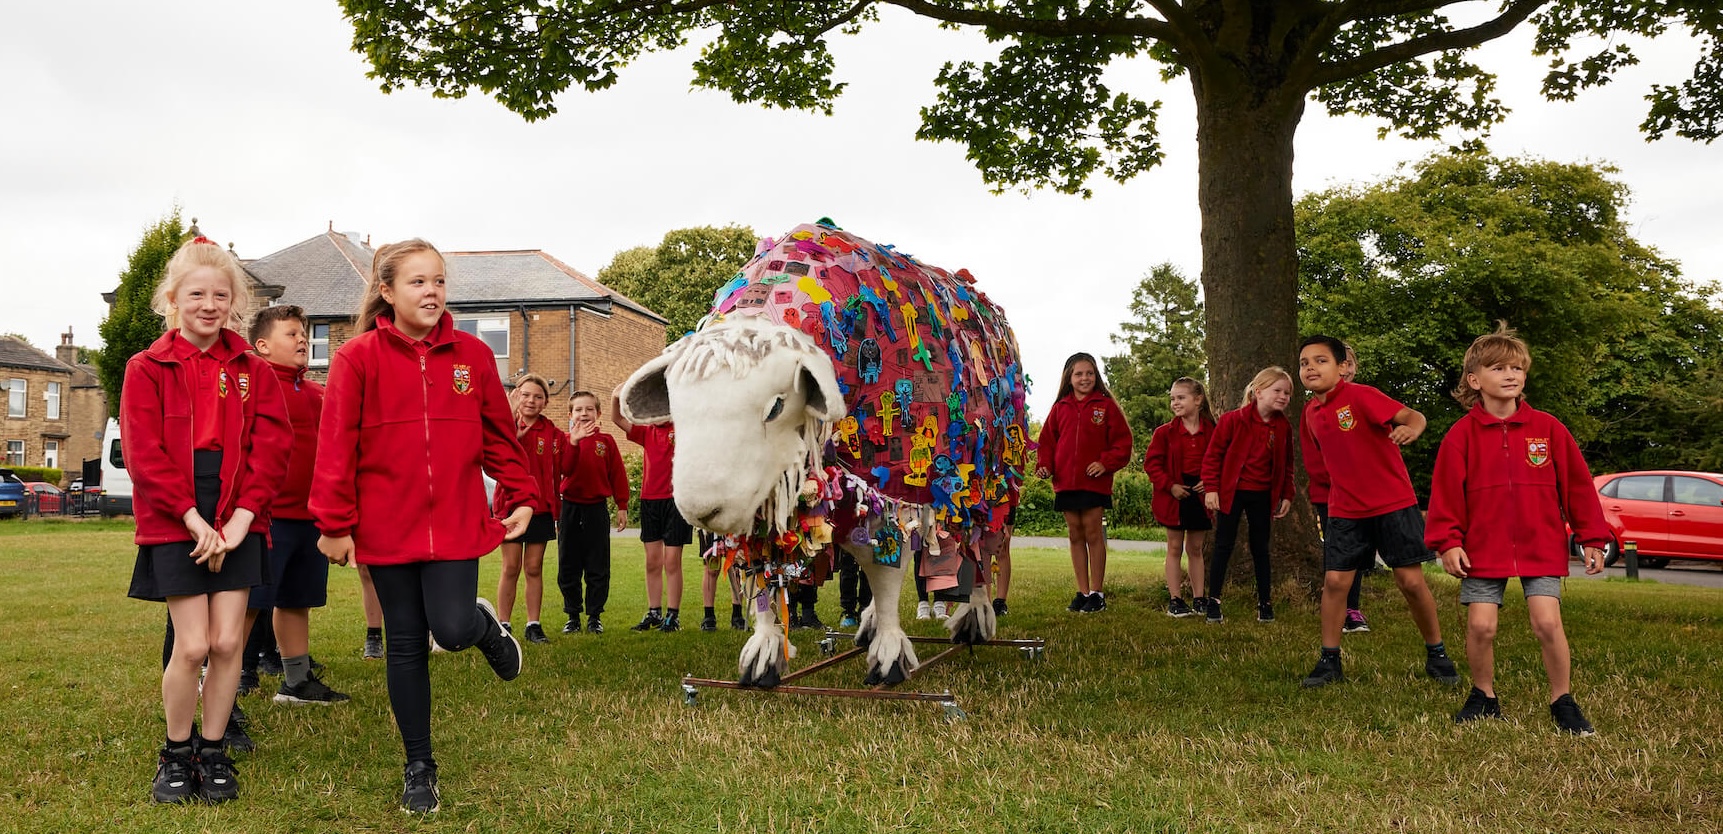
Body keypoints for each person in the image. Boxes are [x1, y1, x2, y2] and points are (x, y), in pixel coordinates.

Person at [311, 238, 536, 814]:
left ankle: (484, 628)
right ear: (387, 292)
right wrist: (334, 522)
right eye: (417, 282)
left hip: (457, 523)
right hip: (386, 528)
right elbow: (335, 447)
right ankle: (419, 765)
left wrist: (525, 494)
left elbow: (497, 438)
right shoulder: (356, 358)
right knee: (405, 645)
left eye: (438, 280)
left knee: (453, 628)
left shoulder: (473, 356)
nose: (431, 291)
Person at [124, 236, 291, 803]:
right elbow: (146, 456)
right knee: (191, 645)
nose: (209, 304)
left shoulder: (254, 369)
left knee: (226, 643)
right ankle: (176, 754)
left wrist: (242, 520)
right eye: (197, 293)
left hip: (239, 510)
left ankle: (214, 752)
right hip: (178, 514)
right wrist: (195, 521)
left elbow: (272, 448)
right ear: (173, 298)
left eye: (221, 294)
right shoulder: (145, 368)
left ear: (234, 302)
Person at [1425, 324, 1609, 734]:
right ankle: (1484, 696)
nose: (1510, 375)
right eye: (1498, 368)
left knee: (1547, 622)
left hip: (1539, 544)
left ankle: (1562, 699)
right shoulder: (1461, 436)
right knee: (1481, 625)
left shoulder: (1548, 429)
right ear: (1475, 380)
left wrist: (1591, 536)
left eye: (1517, 368)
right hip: (1482, 548)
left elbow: (1578, 487)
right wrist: (1448, 541)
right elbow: (1446, 495)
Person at [1296, 334, 1457, 689]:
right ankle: (1329, 661)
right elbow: (1318, 464)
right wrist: (1321, 501)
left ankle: (1437, 654)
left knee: (1411, 582)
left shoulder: (1362, 396)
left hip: (1393, 504)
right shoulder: (1310, 413)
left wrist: (1410, 428)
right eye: (1305, 362)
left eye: (1321, 360)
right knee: (1335, 582)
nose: (1311, 368)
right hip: (1344, 509)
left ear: (1342, 367)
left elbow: (1413, 416)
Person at [248, 304, 349, 705]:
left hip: (310, 517)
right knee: (250, 604)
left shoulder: (318, 393)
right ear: (262, 345)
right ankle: (230, 678)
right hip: (265, 516)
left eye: (304, 334)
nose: (302, 340)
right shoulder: (252, 388)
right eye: (291, 334)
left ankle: (296, 682)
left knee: (296, 600)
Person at [1034, 352, 1133, 613]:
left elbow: (1123, 444)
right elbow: (1046, 442)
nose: (1084, 378)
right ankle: (1083, 591)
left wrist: (1105, 463)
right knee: (1075, 534)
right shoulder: (1060, 408)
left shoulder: (1105, 406)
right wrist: (1045, 466)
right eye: (1078, 374)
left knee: (1093, 534)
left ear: (1096, 376)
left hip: (1094, 482)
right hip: (1066, 482)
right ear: (1069, 378)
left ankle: (1098, 593)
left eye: (1089, 373)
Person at [1200, 368, 1294, 624]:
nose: (1284, 396)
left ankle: (1265, 603)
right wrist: (1211, 488)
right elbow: (1213, 456)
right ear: (1258, 392)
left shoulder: (1283, 426)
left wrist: (1287, 493)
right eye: (1278, 391)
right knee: (1223, 545)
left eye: (1287, 393)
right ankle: (1214, 602)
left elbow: (1288, 464)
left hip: (1263, 496)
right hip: (1233, 493)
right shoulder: (1233, 420)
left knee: (1261, 548)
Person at [1303, 344, 1373, 634]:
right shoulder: (1313, 410)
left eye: (1351, 363)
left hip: (1364, 495)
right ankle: (1338, 610)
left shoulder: (1363, 399)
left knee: (1357, 552)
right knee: (1338, 553)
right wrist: (1338, 480)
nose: (1348, 368)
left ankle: (1353, 609)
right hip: (1330, 495)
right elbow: (1313, 457)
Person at [496, 374, 566, 644]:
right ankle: (503, 625)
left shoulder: (552, 432)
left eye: (537, 396)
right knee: (510, 567)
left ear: (546, 402)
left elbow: (565, 465)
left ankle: (533, 625)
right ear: (516, 396)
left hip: (541, 509)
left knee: (534, 567)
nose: (531, 400)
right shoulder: (506, 425)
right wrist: (513, 428)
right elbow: (496, 450)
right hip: (510, 506)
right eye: (525, 394)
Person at [613, 395, 691, 633]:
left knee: (672, 561)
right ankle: (654, 612)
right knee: (652, 561)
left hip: (676, 501)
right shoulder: (646, 432)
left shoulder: (682, 429)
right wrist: (616, 396)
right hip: (650, 502)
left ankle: (673, 616)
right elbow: (616, 418)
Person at [557, 390, 630, 635]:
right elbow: (565, 468)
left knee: (597, 564)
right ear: (570, 414)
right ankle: (573, 615)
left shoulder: (606, 441)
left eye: (589, 409)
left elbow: (617, 474)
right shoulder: (565, 440)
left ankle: (595, 616)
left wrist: (622, 505)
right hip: (570, 507)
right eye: (578, 409)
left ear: (598, 414)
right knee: (569, 563)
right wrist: (575, 443)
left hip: (596, 508)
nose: (584, 413)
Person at [1143, 377, 1216, 618]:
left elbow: (1221, 460)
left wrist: (1212, 482)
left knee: (1195, 548)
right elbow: (1152, 465)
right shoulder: (1164, 433)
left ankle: (1199, 598)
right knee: (1174, 547)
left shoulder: (1212, 431)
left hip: (1200, 495)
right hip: (1175, 496)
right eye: (1172, 398)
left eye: (1181, 398)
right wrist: (1170, 485)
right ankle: (1175, 599)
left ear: (1198, 400)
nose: (1175, 402)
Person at [697, 531, 747, 631]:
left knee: (737, 566)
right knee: (711, 568)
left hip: (734, 521)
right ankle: (709, 616)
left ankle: (737, 615)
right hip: (710, 523)